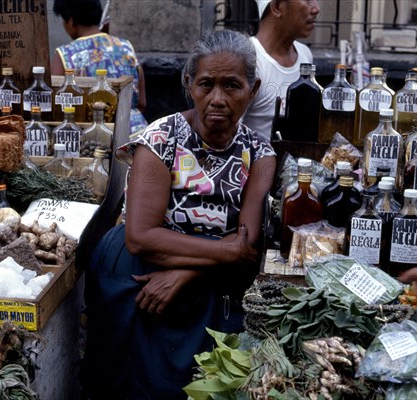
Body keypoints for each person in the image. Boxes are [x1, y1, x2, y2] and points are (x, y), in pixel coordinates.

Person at [83, 29, 276, 400]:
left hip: (208, 274)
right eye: (206, 84)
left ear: (253, 89)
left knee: (196, 380)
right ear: (189, 83)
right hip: (139, 270)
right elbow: (140, 236)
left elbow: (247, 245)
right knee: (124, 380)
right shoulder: (160, 139)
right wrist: (225, 251)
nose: (217, 99)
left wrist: (188, 271)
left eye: (232, 86)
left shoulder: (260, 153)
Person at [51, 0, 148, 134]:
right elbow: (142, 103)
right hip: (138, 132)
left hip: (95, 138)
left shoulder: (64, 55)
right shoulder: (126, 47)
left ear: (71, 20)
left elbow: (55, 107)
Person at [242, 0, 321, 140]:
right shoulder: (247, 59)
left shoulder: (304, 55)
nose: (316, 9)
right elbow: (227, 136)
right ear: (277, 7)